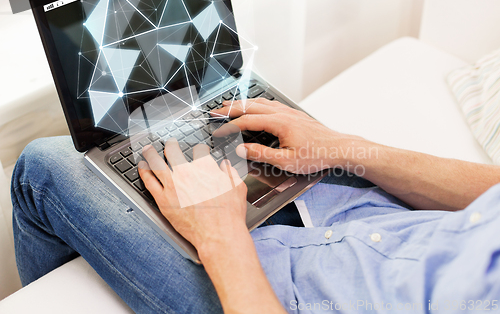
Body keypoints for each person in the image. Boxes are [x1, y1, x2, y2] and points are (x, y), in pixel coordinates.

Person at [11, 98, 500, 313]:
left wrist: (219, 232)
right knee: (231, 119)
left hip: (264, 295)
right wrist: (345, 147)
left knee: (43, 167)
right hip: (370, 219)